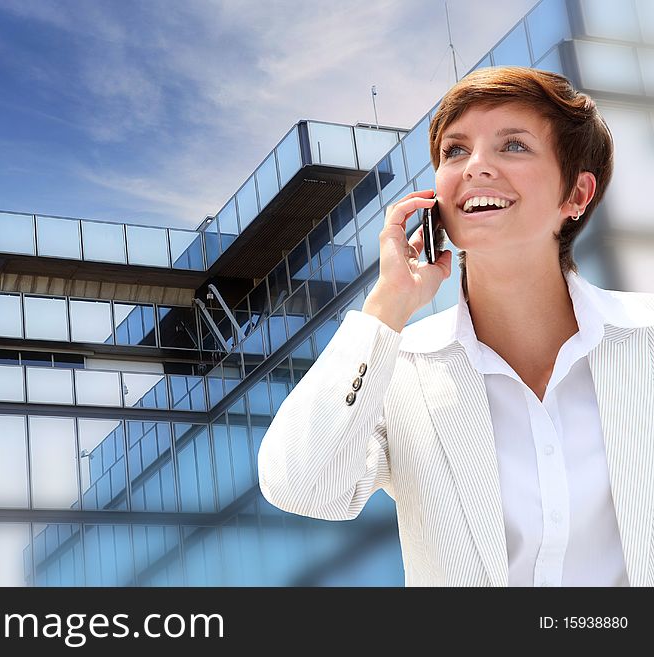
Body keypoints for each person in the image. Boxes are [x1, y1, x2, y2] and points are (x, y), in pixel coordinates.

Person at [256, 65, 654, 587]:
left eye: (513, 146)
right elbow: (301, 487)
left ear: (576, 195)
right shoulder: (396, 368)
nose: (477, 167)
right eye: (455, 151)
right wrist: (387, 305)